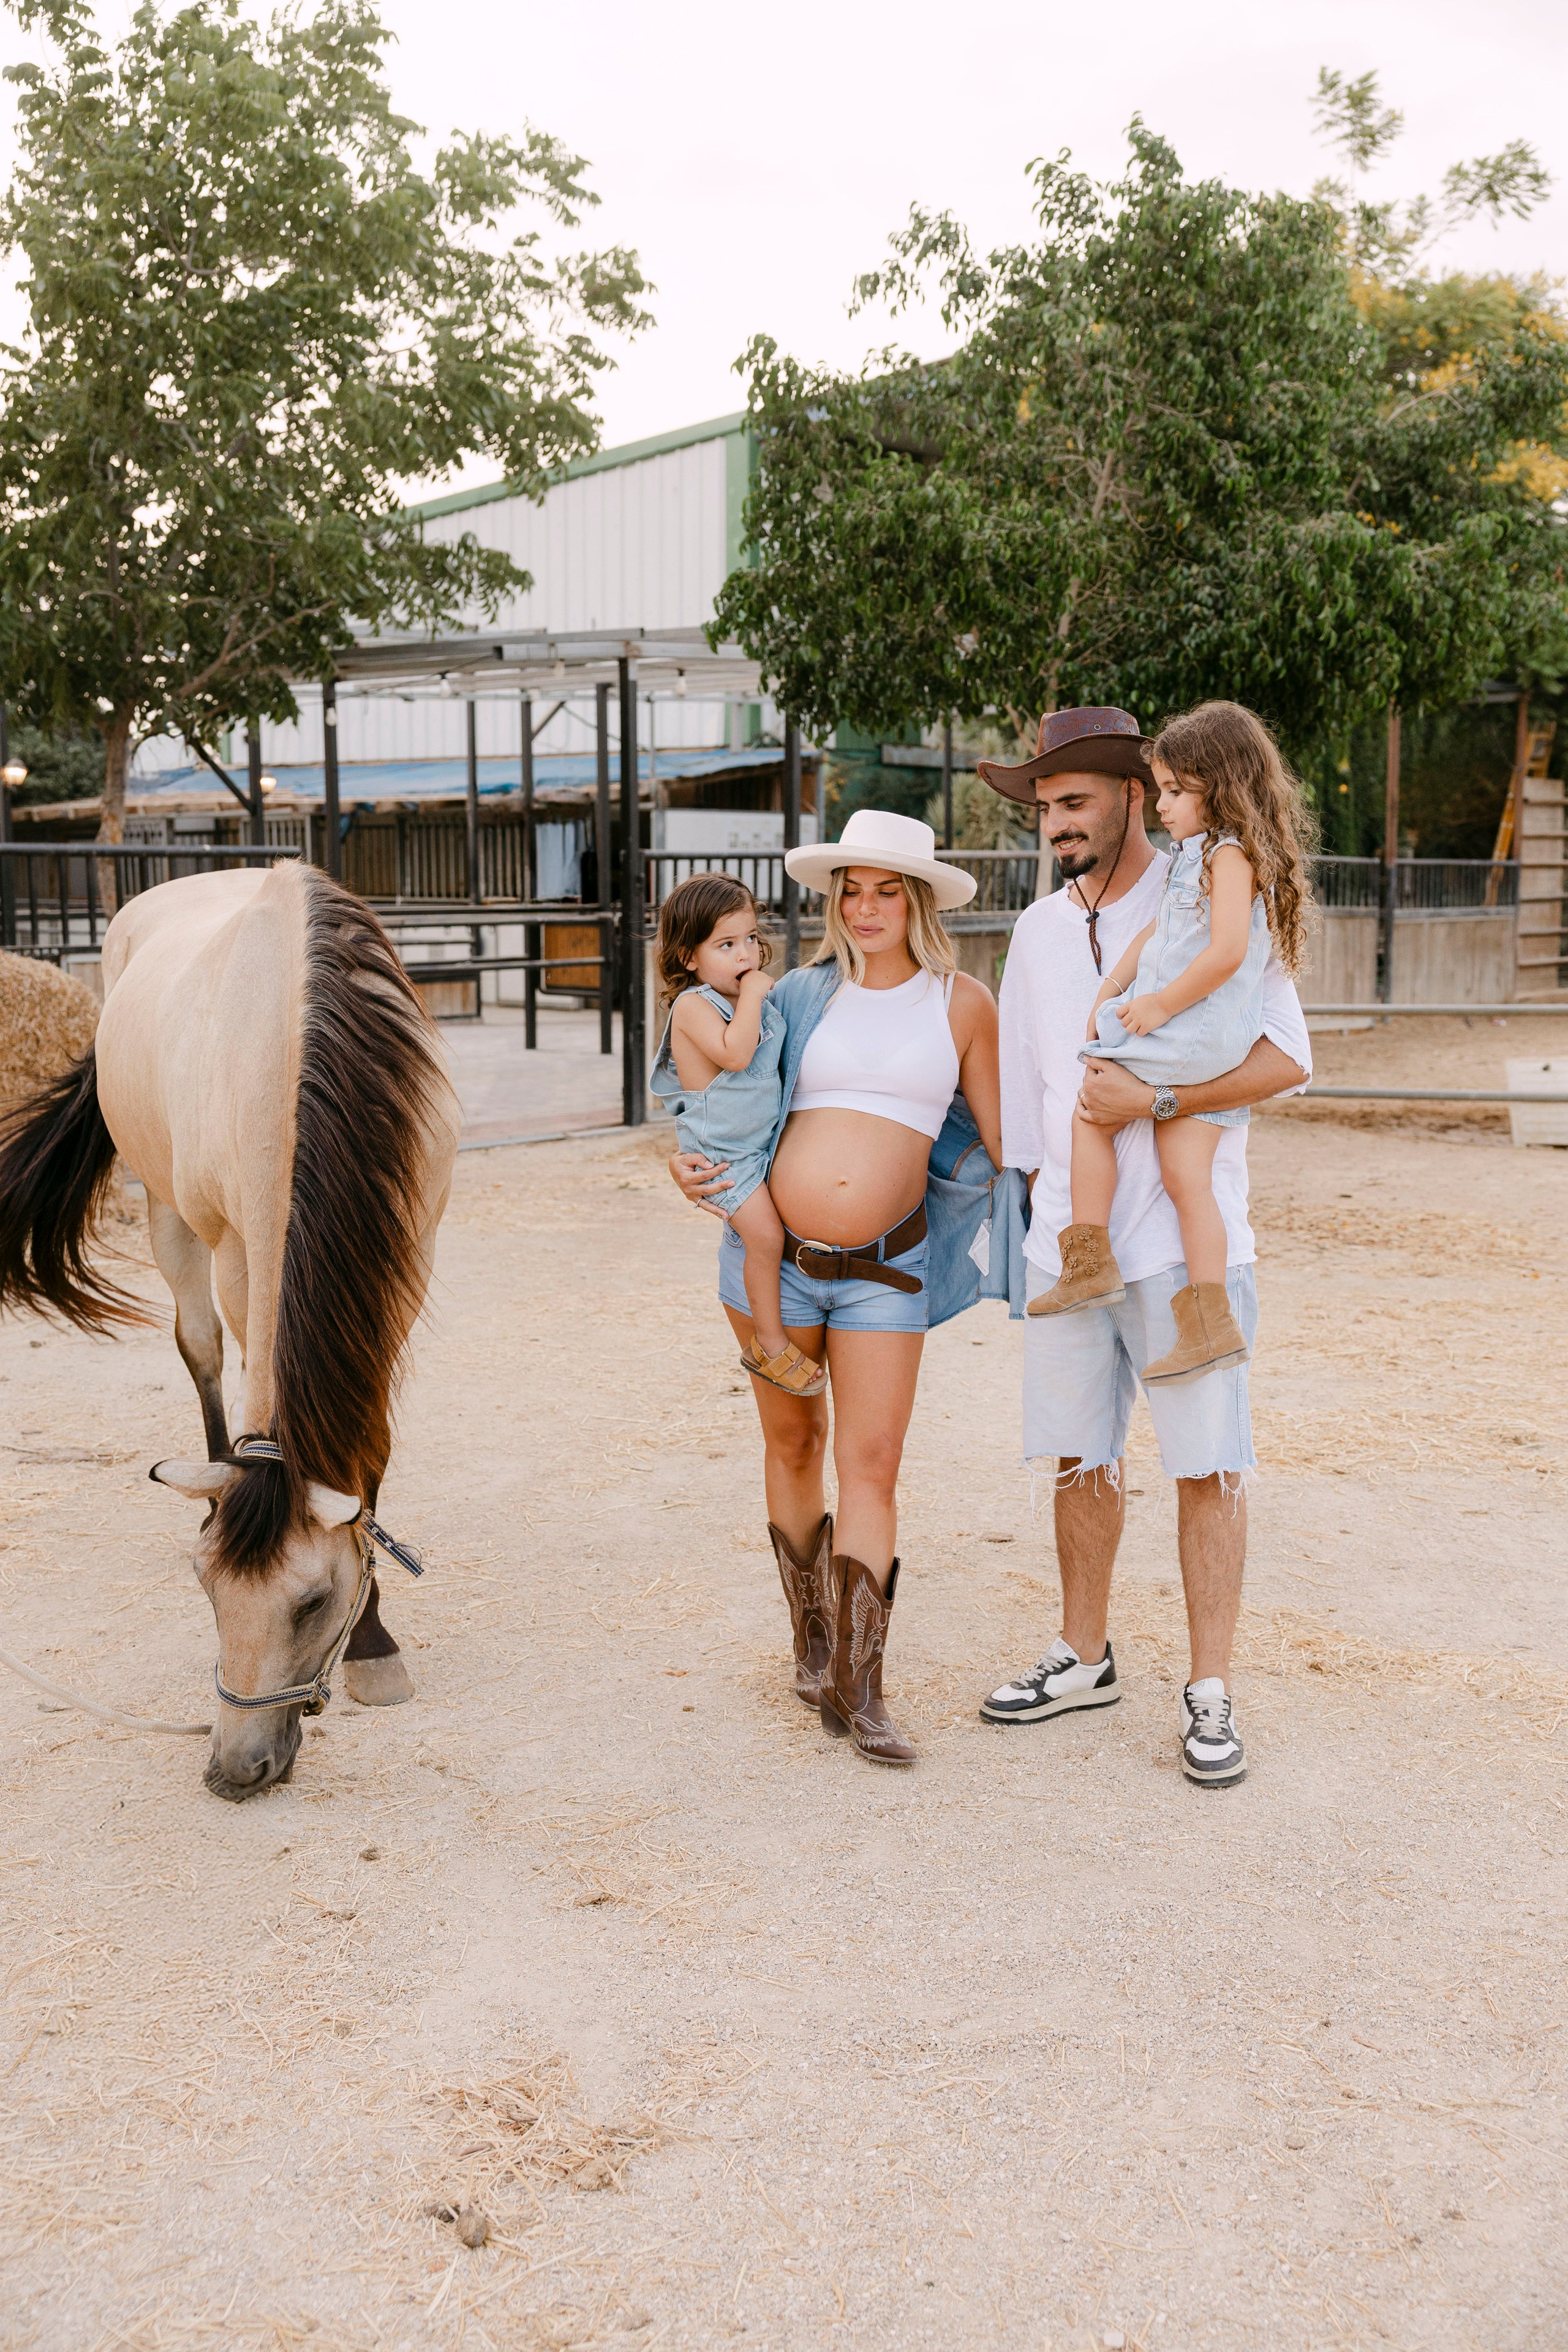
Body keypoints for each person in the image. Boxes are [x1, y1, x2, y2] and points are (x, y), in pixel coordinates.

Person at [974, 707, 1311, 1787]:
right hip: (1071, 1245)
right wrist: (1042, 1207)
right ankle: (1084, 1654)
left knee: (1207, 1465)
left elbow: (1282, 1060)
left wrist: (1159, 1094)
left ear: (1137, 794)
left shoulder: (1208, 893)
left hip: (1180, 1237)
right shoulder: (1034, 931)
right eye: (1044, 810)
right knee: (1080, 1455)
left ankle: (1209, 1686)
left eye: (1075, 803)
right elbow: (1034, 1087)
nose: (1056, 826)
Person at [666, 810, 1028, 1768]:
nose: (865, 909)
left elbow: (1001, 1141)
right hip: (773, 1269)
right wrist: (689, 1161)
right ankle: (812, 1640)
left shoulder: (962, 1004)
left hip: (887, 1272)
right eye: (850, 891)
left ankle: (861, 1686)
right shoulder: (793, 993)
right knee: (793, 1446)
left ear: (917, 900)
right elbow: (724, 1094)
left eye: (886, 890)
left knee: (872, 1463)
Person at [1030, 703, 1314, 1389]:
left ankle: (1089, 1259)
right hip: (1203, 1043)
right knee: (1190, 1183)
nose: (1164, 806)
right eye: (1161, 790)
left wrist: (1151, 1003)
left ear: (1220, 786)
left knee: (1092, 1103)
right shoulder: (1200, 856)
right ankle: (1211, 1327)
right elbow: (1154, 938)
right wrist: (1117, 983)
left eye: (1176, 792)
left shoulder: (1227, 855)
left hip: (1192, 1033)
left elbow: (1223, 953)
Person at [650, 875, 826, 1398]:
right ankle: (769, 1345)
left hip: (757, 1149)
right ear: (688, 957)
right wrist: (752, 993)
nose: (746, 955)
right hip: (725, 1158)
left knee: (774, 1234)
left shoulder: (756, 1002)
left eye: (751, 938)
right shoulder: (695, 1005)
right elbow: (735, 1054)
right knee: (766, 1239)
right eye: (726, 946)